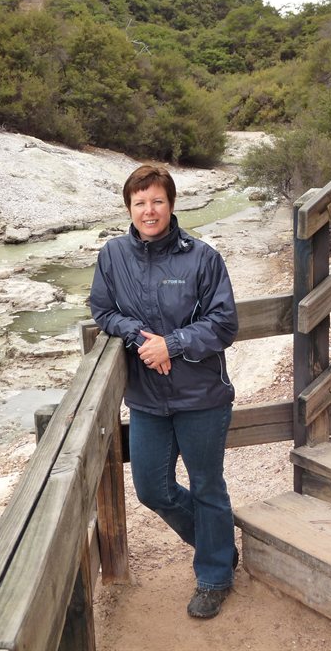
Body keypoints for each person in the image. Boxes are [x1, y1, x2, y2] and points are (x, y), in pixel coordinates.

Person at [90, 163, 239, 619]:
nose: (149, 210)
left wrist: (171, 344)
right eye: (140, 203)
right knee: (152, 488)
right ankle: (219, 544)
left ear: (171, 204)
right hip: (147, 399)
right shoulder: (113, 255)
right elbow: (102, 311)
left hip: (201, 396)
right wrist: (140, 338)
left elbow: (224, 323)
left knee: (207, 485)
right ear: (129, 208)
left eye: (157, 200)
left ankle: (214, 576)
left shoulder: (203, 257)